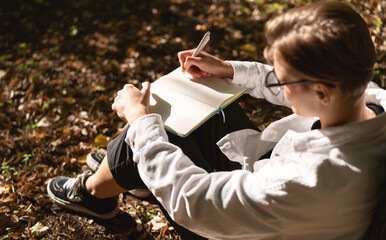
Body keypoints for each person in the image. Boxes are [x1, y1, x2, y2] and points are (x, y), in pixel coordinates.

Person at [47, 1, 386, 239]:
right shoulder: (367, 99)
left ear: (322, 93)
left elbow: (192, 199)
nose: (276, 85)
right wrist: (230, 71)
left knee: (155, 131)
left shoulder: (304, 182)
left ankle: (94, 194)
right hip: (271, 186)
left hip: (237, 226)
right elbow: (313, 86)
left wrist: (139, 120)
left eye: (281, 80)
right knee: (205, 111)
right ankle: (131, 174)